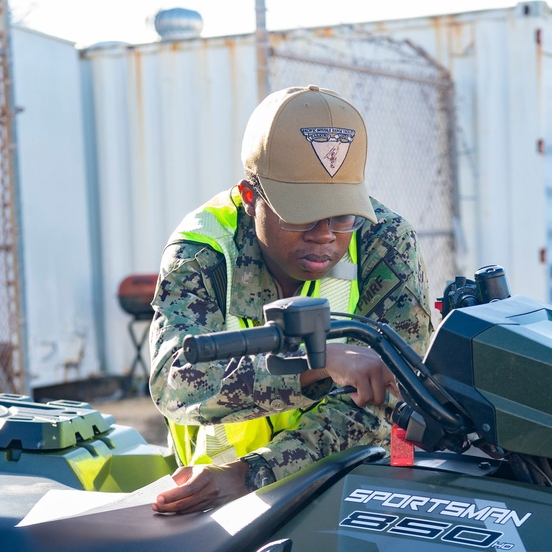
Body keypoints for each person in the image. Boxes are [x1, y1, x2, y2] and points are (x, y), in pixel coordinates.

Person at [148, 85, 432, 514]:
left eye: (341, 214)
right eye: (300, 212)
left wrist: (255, 476)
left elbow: (384, 404)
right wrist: (316, 363)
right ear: (250, 197)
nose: (325, 234)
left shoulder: (385, 242)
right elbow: (173, 382)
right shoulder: (205, 248)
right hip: (210, 507)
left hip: (350, 491)